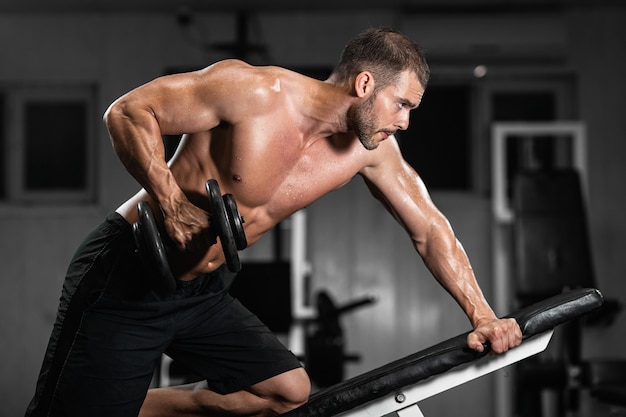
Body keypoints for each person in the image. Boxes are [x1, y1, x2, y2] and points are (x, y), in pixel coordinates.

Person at [26, 27, 522, 417]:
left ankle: (118, 405)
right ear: (365, 83)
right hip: (127, 271)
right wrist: (169, 198)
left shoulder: (372, 155)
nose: (406, 122)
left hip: (200, 292)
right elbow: (129, 112)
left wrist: (482, 314)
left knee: (286, 394)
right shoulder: (255, 92)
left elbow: (430, 228)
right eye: (403, 104)